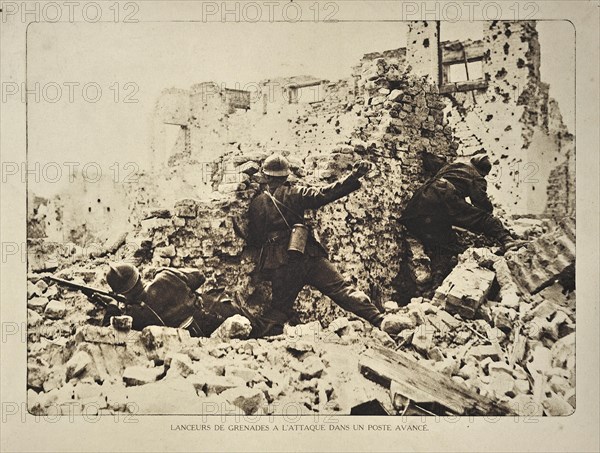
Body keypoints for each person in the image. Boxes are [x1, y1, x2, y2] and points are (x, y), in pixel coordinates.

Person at [246, 153, 396, 336]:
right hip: (307, 254)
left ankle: (252, 336)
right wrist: (353, 177)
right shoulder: (295, 193)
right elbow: (324, 194)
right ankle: (380, 321)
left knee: (279, 308)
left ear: (266, 176)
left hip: (281, 263)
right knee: (342, 290)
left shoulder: (257, 204)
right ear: (286, 176)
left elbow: (255, 238)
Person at [400, 153, 524, 286]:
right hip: (443, 199)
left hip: (419, 205)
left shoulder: (453, 166)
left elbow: (432, 162)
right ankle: (507, 240)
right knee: (483, 218)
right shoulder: (476, 177)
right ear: (482, 172)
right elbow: (480, 202)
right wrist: (486, 217)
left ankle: (436, 281)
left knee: (443, 243)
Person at [99, 263, 248, 337]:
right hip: (218, 310)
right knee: (260, 325)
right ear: (138, 276)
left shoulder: (135, 314)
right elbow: (200, 277)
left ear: (123, 293)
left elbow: (107, 332)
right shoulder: (165, 275)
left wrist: (112, 305)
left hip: (202, 333)